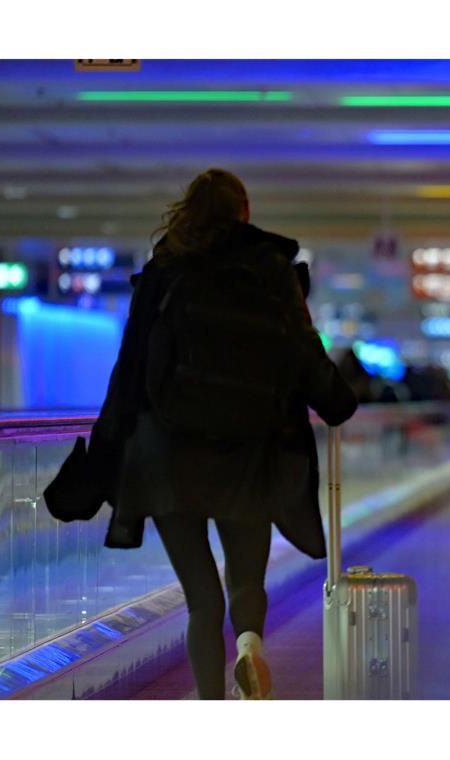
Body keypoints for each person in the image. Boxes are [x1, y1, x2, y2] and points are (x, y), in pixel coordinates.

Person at [91, 168, 357, 699]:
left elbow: (130, 367)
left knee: (201, 600)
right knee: (245, 579)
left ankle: (211, 708)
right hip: (250, 451)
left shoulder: (164, 271)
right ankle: (251, 647)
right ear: (245, 213)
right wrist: (337, 400)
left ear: (187, 210)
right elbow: (301, 350)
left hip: (167, 455)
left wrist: (107, 450)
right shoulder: (270, 269)